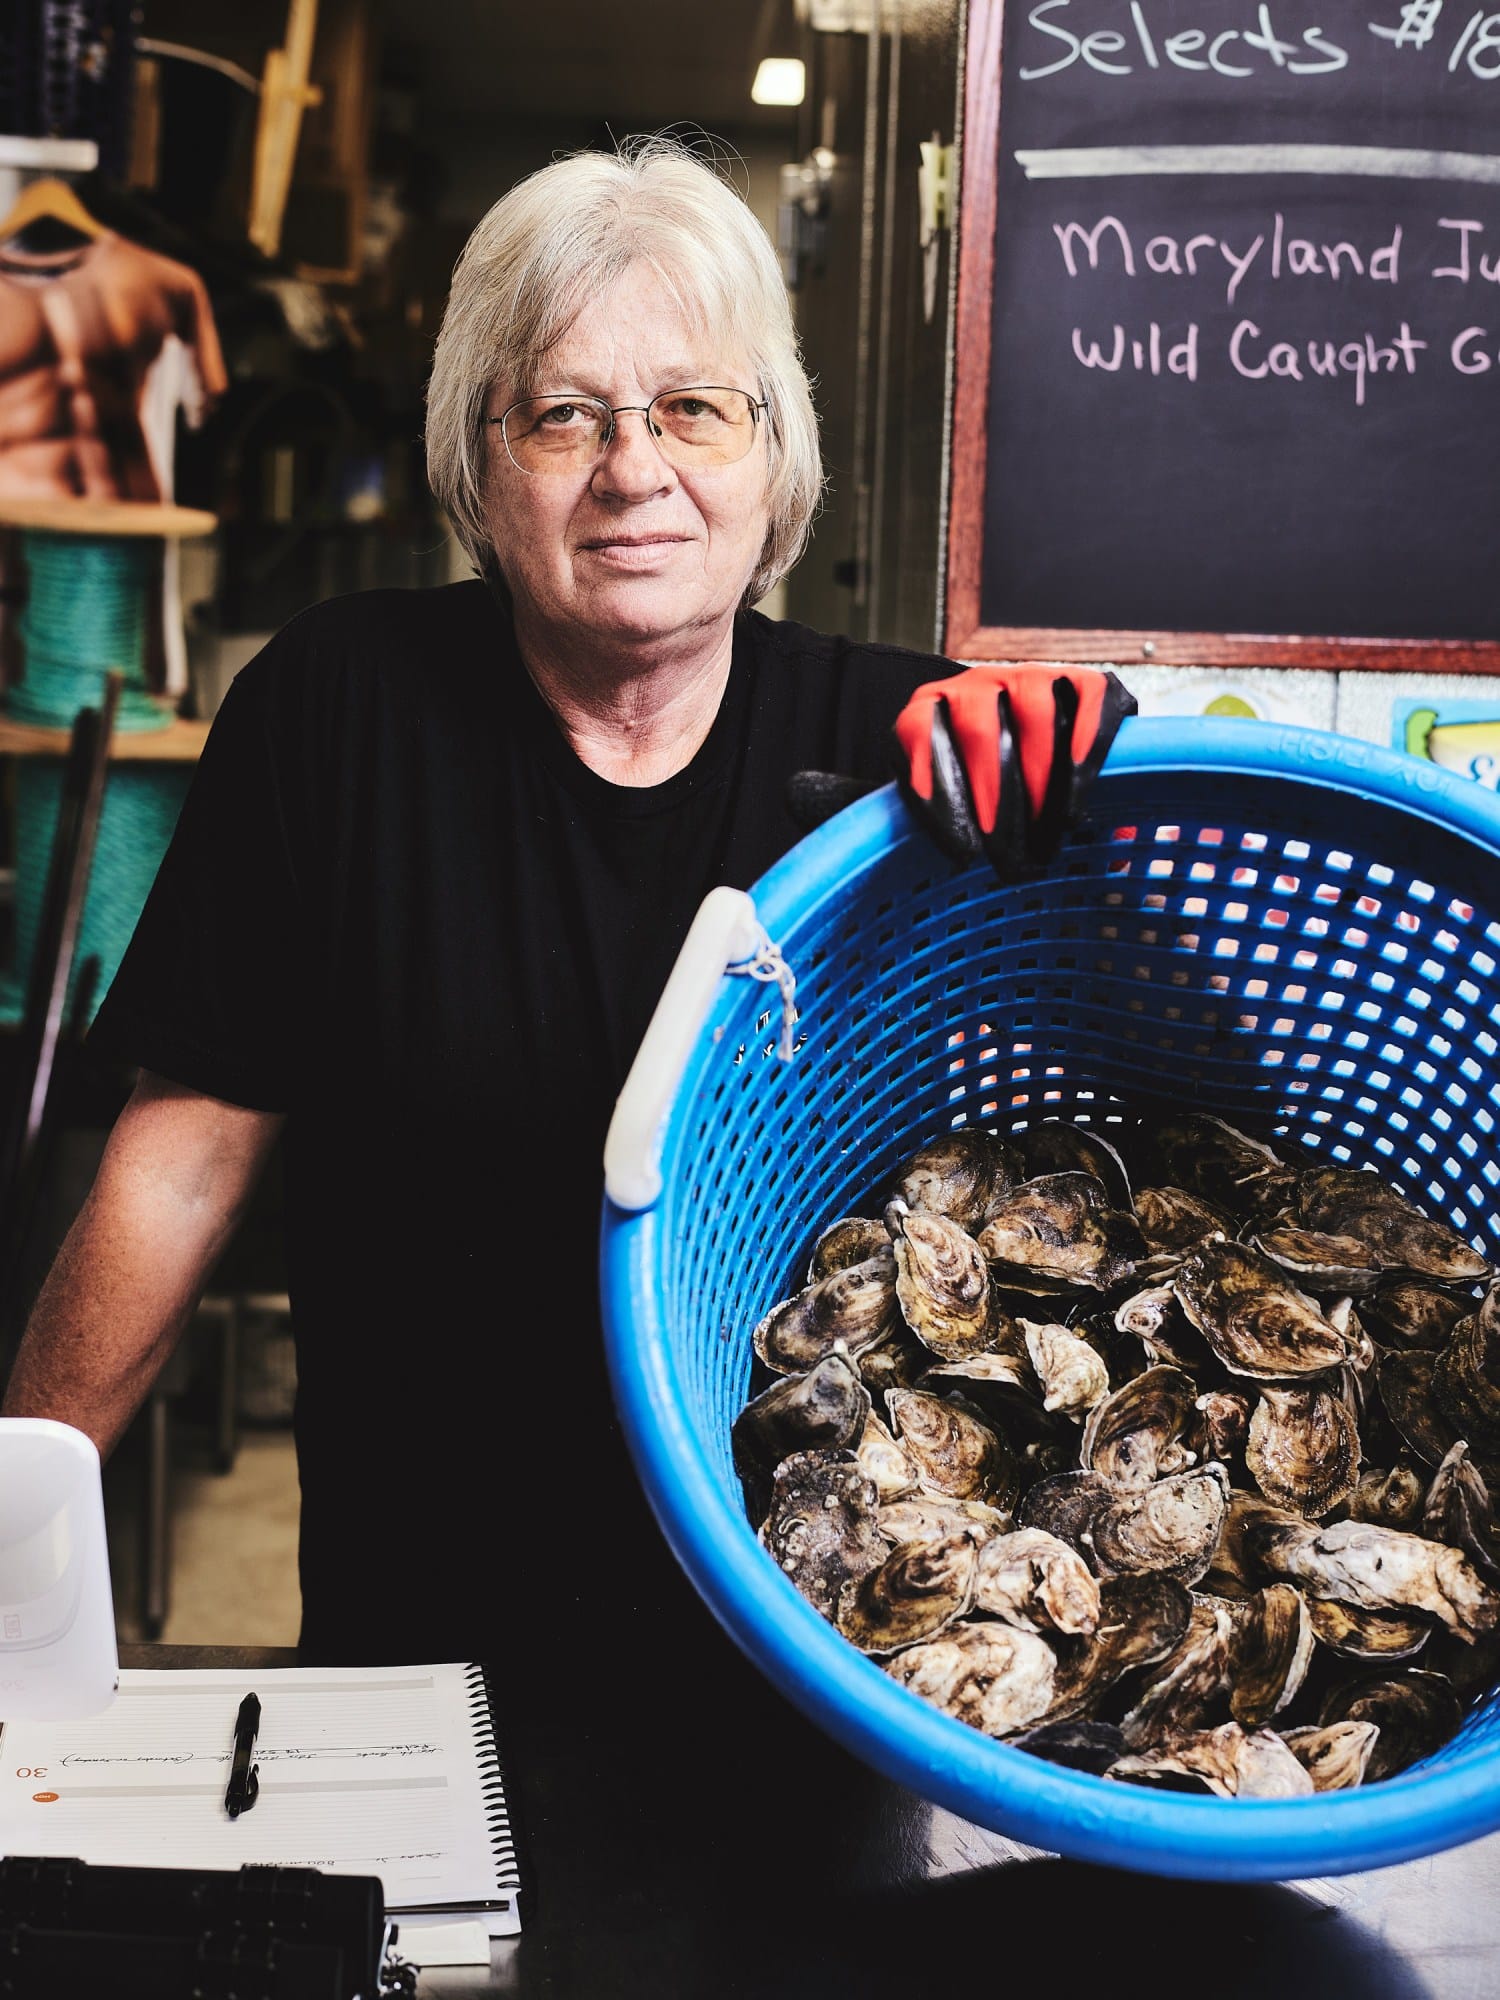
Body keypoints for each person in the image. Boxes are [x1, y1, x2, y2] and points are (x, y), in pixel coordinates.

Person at [0, 138, 1128, 1743]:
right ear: (479, 459)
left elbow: (1139, 1146)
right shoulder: (340, 714)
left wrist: (1088, 784)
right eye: (563, 413)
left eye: (692, 406)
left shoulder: (912, 758)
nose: (633, 467)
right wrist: (8, 1549)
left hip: (841, 1689)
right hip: (421, 1666)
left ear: (773, 450)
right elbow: (180, 1167)